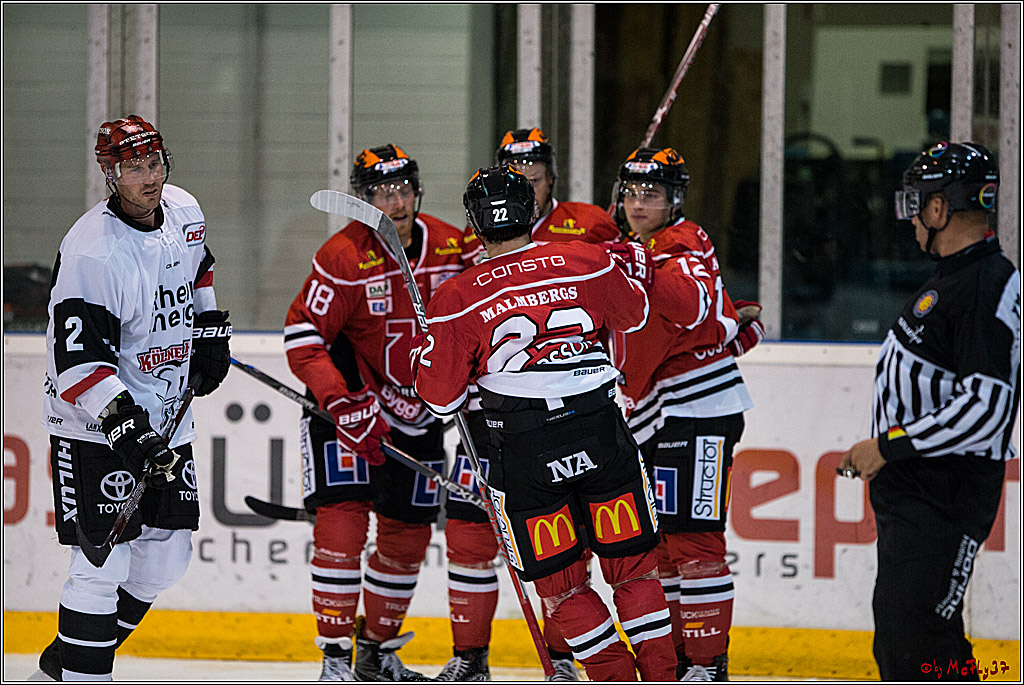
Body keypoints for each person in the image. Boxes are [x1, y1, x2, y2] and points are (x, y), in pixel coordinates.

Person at [415, 164, 682, 682]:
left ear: (473, 224)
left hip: (527, 450)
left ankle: (613, 677)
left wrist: (429, 355)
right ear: (533, 210)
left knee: (562, 586)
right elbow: (635, 315)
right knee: (635, 569)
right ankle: (662, 676)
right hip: (601, 431)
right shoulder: (587, 259)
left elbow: (440, 401)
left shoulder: (457, 296)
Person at [34, 115, 231, 681]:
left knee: (167, 558)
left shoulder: (185, 210)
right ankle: (83, 672)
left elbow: (201, 271)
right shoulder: (92, 252)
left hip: (168, 412)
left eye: (155, 164)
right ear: (109, 173)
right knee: (102, 561)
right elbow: (80, 362)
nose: (150, 178)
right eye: (135, 168)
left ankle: (66, 658)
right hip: (93, 423)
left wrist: (211, 328)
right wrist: (126, 427)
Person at [437, 127, 620, 682]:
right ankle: (471, 658)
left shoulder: (590, 226)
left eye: (538, 176)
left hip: (576, 409)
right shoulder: (477, 240)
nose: (532, 187)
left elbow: (622, 306)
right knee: (470, 529)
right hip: (492, 413)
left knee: (566, 538)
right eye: (524, 178)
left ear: (551, 176)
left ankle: (565, 657)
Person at [283, 144, 465, 681]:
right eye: (382, 192)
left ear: (418, 192)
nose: (395, 201)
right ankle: (334, 660)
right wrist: (340, 402)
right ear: (363, 199)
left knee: (407, 537)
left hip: (421, 413)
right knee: (342, 529)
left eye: (404, 189)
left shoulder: (452, 246)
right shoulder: (342, 255)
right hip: (348, 408)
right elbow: (303, 336)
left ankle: (375, 653)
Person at [839, 141, 1019, 681]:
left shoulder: (988, 283)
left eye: (917, 202)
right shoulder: (955, 276)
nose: (912, 216)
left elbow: (987, 407)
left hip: (945, 493)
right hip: (918, 492)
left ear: (940, 208)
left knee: (915, 639)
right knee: (910, 636)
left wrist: (886, 446)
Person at [611, 147, 762, 681]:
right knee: (665, 547)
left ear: (675, 197)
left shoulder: (681, 240)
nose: (639, 202)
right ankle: (679, 656)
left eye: (651, 192)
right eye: (631, 192)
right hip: (662, 412)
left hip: (700, 409)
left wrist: (641, 264)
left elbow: (693, 305)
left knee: (696, 542)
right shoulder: (641, 246)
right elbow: (706, 319)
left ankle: (707, 663)